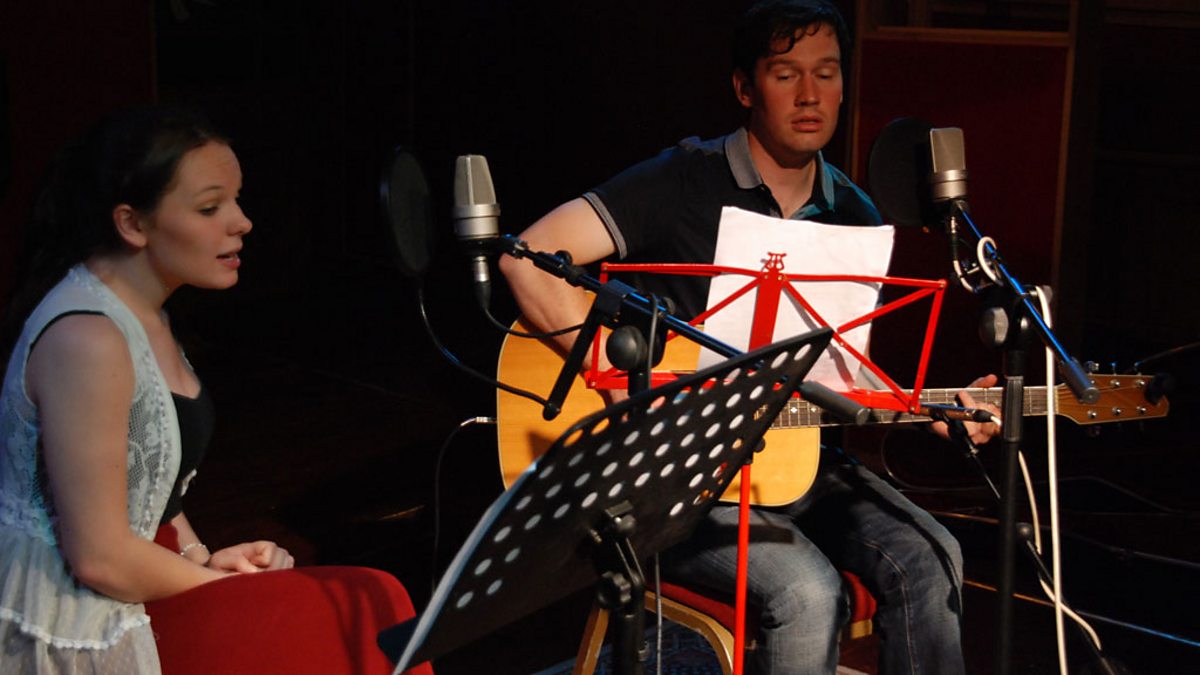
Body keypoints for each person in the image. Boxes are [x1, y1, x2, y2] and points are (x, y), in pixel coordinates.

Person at [499, 1, 998, 673]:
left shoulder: (854, 214)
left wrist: (929, 411)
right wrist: (611, 372)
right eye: (786, 74)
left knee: (934, 556)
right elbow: (526, 258)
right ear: (745, 87)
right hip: (679, 478)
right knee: (807, 592)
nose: (810, 94)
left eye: (826, 73)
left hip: (793, 465)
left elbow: (839, 375)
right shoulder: (682, 180)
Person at [0, 107, 428, 675]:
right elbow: (99, 557)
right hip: (81, 616)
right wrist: (222, 588)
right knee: (356, 613)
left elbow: (156, 499)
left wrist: (206, 559)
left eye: (236, 201)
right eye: (210, 208)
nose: (242, 222)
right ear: (132, 224)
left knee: (370, 603)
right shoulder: (87, 339)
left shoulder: (147, 312)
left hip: (134, 581)